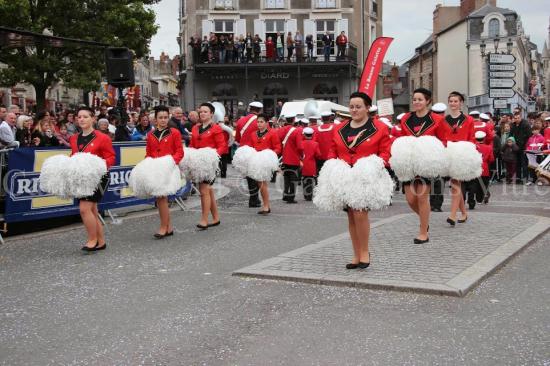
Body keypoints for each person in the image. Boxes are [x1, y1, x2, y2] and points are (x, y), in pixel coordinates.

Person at [327, 92, 391, 268]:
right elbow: (332, 150)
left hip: (365, 177)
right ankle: (356, 254)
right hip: (345, 177)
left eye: (358, 106)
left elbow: (386, 153)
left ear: (367, 108)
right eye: (352, 107)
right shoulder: (339, 128)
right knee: (351, 216)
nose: (354, 110)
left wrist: (373, 165)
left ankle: (364, 251)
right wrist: (333, 165)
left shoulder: (380, 128)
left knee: (360, 212)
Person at [398, 88, 449, 244]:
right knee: (410, 199)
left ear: (427, 101)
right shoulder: (406, 118)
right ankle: (425, 221)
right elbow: (402, 139)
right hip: (410, 162)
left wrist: (435, 153)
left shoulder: (437, 119)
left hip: (426, 162)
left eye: (420, 99)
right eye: (414, 99)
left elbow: (443, 140)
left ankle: (423, 232)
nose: (416, 102)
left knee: (422, 197)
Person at [70, 106, 116, 251]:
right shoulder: (73, 138)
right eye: (79, 117)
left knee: (84, 209)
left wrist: (98, 164)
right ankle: (101, 241)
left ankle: (92, 239)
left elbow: (111, 157)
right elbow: (74, 156)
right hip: (82, 178)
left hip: (98, 177)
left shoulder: (103, 138)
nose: (82, 119)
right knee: (92, 211)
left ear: (93, 119)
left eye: (85, 116)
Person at [145, 105, 184, 238]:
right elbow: (148, 153)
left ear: (169, 118)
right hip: (156, 169)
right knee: (160, 198)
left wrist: (171, 162)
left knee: (162, 198)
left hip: (169, 168)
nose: (163, 120)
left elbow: (180, 151)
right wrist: (147, 165)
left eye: (165, 117)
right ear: (155, 119)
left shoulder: (175, 132)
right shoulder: (150, 135)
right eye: (160, 117)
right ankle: (168, 227)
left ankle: (163, 227)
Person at [190, 103, 225, 229]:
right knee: (207, 190)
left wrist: (212, 156)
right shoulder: (195, 127)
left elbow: (222, 146)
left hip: (210, 164)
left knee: (204, 190)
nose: (202, 113)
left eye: (206, 111)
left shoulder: (216, 128)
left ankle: (204, 220)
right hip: (198, 163)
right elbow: (192, 145)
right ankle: (215, 218)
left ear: (211, 114)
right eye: (201, 111)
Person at [444, 91, 475, 225]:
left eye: (455, 101)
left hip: (462, 153)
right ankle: (463, 213)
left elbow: (472, 138)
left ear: (461, 103)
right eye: (451, 101)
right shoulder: (444, 120)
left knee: (455, 183)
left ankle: (452, 215)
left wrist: (469, 153)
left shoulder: (469, 120)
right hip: (448, 153)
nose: (453, 104)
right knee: (455, 183)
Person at [250, 114, 282, 214]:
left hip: (265, 161)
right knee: (260, 184)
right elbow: (252, 147)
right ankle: (266, 205)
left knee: (262, 183)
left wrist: (268, 155)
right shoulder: (253, 134)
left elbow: (278, 148)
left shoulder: (272, 133)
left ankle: (266, 206)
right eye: (258, 122)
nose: (259, 124)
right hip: (256, 161)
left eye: (261, 122)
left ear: (267, 123)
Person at [235, 101, 262, 207]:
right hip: (256, 150)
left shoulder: (241, 120)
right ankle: (254, 199)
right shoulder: (260, 121)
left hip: (243, 151)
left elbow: (237, 138)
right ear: (260, 110)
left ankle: (253, 198)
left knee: (249, 176)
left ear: (250, 109)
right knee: (257, 175)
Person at [278, 113, 303, 203]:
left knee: (286, 177)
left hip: (284, 157)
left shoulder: (281, 130)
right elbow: (300, 146)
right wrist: (302, 155)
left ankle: (285, 194)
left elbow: (278, 142)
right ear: (293, 120)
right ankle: (291, 197)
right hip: (293, 158)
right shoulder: (296, 131)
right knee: (293, 178)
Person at [429, 102, 448, 212]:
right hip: (442, 154)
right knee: (440, 181)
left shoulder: (429, 122)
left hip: (432, 154)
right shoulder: (446, 122)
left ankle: (433, 203)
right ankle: (437, 204)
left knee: (433, 180)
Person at [510, 111, 532, 184]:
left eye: (518, 118)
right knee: (517, 164)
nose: (517, 119)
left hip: (524, 147)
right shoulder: (513, 125)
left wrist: (526, 146)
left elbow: (529, 136)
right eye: (515, 118)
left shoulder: (525, 124)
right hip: (516, 147)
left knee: (524, 164)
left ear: (521, 117)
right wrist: (512, 143)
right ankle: (518, 179)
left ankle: (525, 179)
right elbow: (510, 135)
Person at [301, 127, 321, 201]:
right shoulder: (315, 144)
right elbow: (318, 154)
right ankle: (310, 195)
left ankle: (306, 195)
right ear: (312, 135)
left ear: (304, 135)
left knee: (305, 180)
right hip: (311, 164)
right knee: (311, 180)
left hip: (303, 164)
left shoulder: (301, 143)